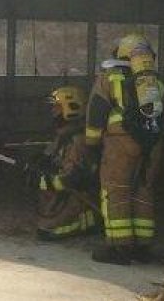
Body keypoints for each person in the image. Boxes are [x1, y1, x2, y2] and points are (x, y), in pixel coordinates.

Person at [85, 33, 164, 265]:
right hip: (152, 143)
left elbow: (96, 113)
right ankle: (142, 247)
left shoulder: (109, 78)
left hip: (120, 143)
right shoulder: (156, 83)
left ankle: (118, 248)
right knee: (143, 191)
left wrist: (91, 145)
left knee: (116, 191)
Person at [32, 85, 101, 241]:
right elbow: (52, 160)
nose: (53, 112)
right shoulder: (63, 136)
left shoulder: (78, 140)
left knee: (46, 229)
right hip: (65, 191)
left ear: (72, 109)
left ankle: (84, 221)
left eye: (57, 107)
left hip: (79, 194)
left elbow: (72, 179)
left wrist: (43, 180)